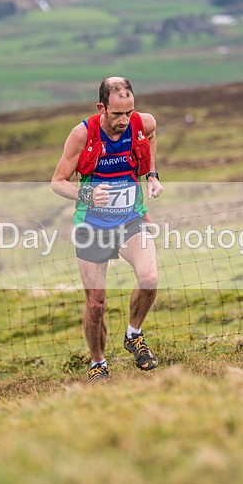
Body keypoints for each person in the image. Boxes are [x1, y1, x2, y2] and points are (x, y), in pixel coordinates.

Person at [51, 76, 164, 383]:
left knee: (150, 277)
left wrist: (151, 174)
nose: (124, 121)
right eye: (116, 114)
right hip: (92, 225)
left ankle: (133, 334)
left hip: (131, 219)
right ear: (101, 107)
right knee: (96, 304)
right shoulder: (82, 134)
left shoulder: (143, 123)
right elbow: (57, 181)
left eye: (129, 112)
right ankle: (98, 363)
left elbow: (151, 135)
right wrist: (86, 194)